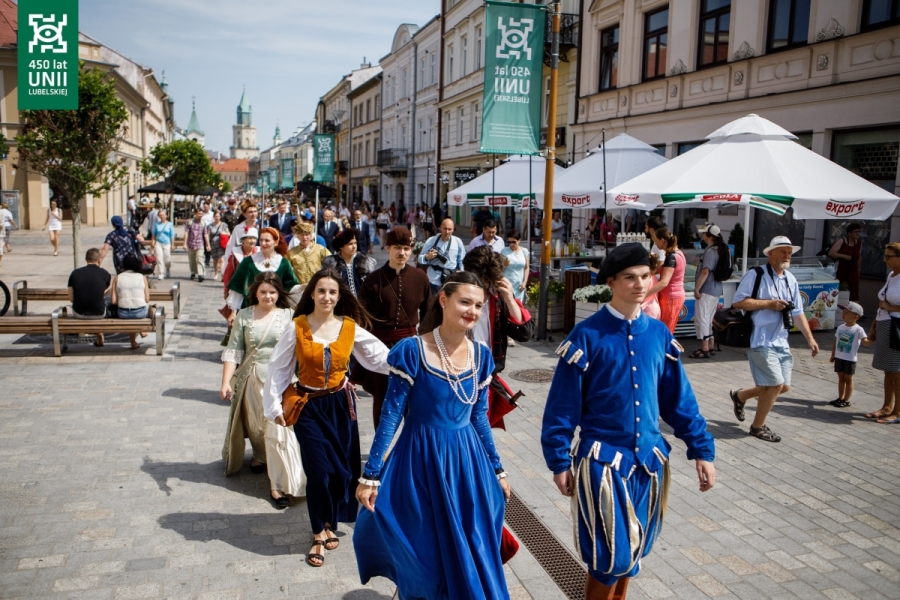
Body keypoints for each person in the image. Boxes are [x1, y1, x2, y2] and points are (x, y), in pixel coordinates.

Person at [541, 243, 716, 599]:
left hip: (649, 462)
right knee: (611, 557)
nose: (640, 284)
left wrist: (702, 449)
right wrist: (559, 460)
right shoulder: (586, 336)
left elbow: (678, 400)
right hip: (603, 462)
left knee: (633, 552)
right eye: (629, 277)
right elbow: (562, 406)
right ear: (611, 282)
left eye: (645, 276)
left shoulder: (658, 334)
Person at [354, 271, 511, 598]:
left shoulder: (481, 355)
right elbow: (392, 414)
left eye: (478, 305)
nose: (472, 311)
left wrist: (497, 469)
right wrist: (371, 475)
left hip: (467, 462)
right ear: (443, 299)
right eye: (464, 301)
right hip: (420, 460)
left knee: (472, 545)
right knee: (424, 555)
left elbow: (479, 417)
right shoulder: (412, 350)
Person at [263, 270, 390, 567]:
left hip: (341, 405)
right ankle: (319, 532)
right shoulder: (298, 327)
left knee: (342, 472)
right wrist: (274, 408)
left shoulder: (349, 327)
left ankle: (332, 520)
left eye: (332, 292)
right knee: (319, 472)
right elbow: (278, 368)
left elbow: (379, 357)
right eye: (321, 291)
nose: (327, 297)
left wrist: (413, 363)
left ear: (339, 296)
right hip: (308, 406)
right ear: (312, 294)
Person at [221, 272, 306, 509]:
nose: (267, 296)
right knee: (258, 427)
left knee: (279, 430)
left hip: (284, 380)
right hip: (253, 379)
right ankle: (260, 455)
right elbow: (234, 351)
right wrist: (225, 382)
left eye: (272, 292)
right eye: (263, 292)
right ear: (255, 293)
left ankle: (277, 484)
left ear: (279, 293)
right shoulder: (244, 316)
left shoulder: (289, 315)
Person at [729, 236, 819, 443]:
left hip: (781, 340)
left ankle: (740, 396)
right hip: (759, 338)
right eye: (782, 252)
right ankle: (757, 426)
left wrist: (810, 339)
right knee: (775, 383)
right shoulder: (756, 274)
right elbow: (738, 302)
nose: (787, 256)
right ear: (770, 253)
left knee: (783, 386)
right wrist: (768, 304)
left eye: (789, 252)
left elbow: (798, 312)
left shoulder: (790, 279)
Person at [358, 227, 432, 427]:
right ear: (388, 248)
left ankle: (408, 451)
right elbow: (362, 320)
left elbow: (428, 315)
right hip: (379, 346)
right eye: (398, 248)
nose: (402, 253)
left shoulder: (420, 278)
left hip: (410, 347)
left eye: (406, 248)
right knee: (382, 399)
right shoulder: (373, 280)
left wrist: (428, 346)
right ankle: (381, 453)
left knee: (412, 399)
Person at [463, 246, 535, 427]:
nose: (482, 286)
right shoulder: (456, 296)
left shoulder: (498, 298)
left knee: (480, 432)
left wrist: (510, 298)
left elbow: (524, 333)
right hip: (457, 374)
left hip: (486, 378)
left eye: (487, 282)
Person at [226, 228, 300, 321]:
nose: (263, 243)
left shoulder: (283, 263)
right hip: (250, 309)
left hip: (276, 310)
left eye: (267, 240)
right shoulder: (249, 262)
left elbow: (291, 287)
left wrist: (304, 288)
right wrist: (233, 312)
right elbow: (238, 288)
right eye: (261, 240)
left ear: (275, 242)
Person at [867, 242, 900, 424]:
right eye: (885, 255)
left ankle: (898, 411)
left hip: (897, 327)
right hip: (885, 323)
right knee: (888, 370)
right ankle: (887, 406)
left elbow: (888, 304)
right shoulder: (891, 275)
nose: (885, 259)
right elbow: (882, 303)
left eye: (889, 256)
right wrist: (874, 324)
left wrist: (891, 307)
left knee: (897, 371)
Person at [691, 224, 727, 358]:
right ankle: (710, 344)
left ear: (709, 236)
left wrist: (697, 288)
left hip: (707, 289)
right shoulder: (720, 249)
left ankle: (704, 348)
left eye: (704, 234)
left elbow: (705, 271)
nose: (703, 236)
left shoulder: (711, 251)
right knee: (709, 317)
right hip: (716, 289)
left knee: (703, 318)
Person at [828, 302, 872, 409]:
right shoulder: (840, 328)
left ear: (855, 316)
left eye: (846, 313)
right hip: (839, 357)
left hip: (850, 359)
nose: (843, 314)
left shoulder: (858, 329)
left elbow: (865, 342)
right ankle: (840, 398)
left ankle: (846, 400)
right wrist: (833, 354)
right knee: (841, 378)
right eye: (843, 312)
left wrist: (873, 337)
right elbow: (836, 341)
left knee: (848, 379)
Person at [68, 248, 112, 346]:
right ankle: (99, 333)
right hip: (99, 313)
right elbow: (102, 291)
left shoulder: (74, 273)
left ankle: (99, 335)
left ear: (86, 259)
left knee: (92, 300)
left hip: (79, 313)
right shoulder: (105, 274)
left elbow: (71, 298)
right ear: (99, 260)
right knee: (105, 298)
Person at [647, 227, 685, 334]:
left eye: (656, 241)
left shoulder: (671, 257)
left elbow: (664, 282)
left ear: (662, 240)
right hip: (674, 296)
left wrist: (645, 294)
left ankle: (667, 351)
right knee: (667, 329)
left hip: (671, 297)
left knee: (666, 331)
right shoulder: (678, 253)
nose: (655, 244)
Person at [111, 254, 150, 349]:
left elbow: (113, 301)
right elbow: (147, 299)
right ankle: (141, 330)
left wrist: (124, 301)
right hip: (140, 313)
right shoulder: (142, 277)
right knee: (137, 311)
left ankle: (134, 342)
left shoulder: (117, 278)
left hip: (123, 313)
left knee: (129, 312)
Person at [418, 218, 466, 295]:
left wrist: (461, 273)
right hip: (434, 278)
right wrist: (427, 257)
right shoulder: (431, 241)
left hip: (451, 279)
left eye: (449, 229)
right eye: (445, 228)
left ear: (453, 229)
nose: (447, 232)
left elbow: (462, 261)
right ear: (440, 227)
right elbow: (420, 258)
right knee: (434, 304)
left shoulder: (458, 242)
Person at [322, 228, 375, 297]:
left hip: (362, 303)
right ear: (341, 247)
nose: (354, 246)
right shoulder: (332, 264)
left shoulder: (365, 262)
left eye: (355, 243)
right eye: (350, 244)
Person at [286, 222, 331, 287]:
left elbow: (331, 264)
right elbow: (287, 270)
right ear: (298, 236)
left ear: (311, 235)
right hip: (299, 286)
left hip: (317, 285)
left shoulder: (320, 249)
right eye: (302, 234)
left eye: (307, 234)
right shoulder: (291, 252)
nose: (304, 237)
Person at [828, 223, 862, 302]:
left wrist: (859, 269)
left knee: (854, 290)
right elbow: (831, 253)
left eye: (858, 232)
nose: (858, 234)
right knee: (841, 289)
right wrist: (844, 256)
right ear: (849, 233)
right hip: (842, 269)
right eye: (855, 232)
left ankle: (853, 310)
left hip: (853, 270)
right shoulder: (842, 241)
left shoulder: (859, 243)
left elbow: (859, 257)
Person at [501, 229, 529, 302]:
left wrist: (525, 282)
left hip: (519, 286)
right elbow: (499, 268)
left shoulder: (524, 251)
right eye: (509, 242)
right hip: (507, 284)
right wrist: (504, 264)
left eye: (514, 242)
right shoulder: (504, 251)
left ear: (519, 240)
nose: (511, 244)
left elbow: (526, 268)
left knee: (519, 308)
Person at [183, 208, 206, 282]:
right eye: (199, 213)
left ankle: (200, 274)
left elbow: (205, 234)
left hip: (200, 244)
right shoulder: (189, 222)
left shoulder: (203, 223)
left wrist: (208, 244)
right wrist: (184, 243)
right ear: (195, 214)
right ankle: (193, 272)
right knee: (192, 260)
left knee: (200, 259)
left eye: (201, 214)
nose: (200, 215)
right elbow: (186, 232)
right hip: (191, 243)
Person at [205, 211, 230, 281]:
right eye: (216, 216)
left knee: (221, 260)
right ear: (213, 217)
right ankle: (216, 274)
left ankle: (222, 275)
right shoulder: (210, 226)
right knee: (215, 260)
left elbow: (229, 233)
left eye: (218, 216)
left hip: (221, 244)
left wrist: (224, 233)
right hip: (213, 244)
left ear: (220, 217)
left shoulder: (224, 225)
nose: (217, 218)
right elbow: (207, 235)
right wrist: (208, 245)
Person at [150, 209, 174, 280]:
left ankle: (167, 268)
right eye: (160, 215)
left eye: (163, 215)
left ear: (166, 215)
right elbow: (154, 234)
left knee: (167, 258)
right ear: (159, 216)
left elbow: (172, 235)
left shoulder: (170, 224)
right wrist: (152, 242)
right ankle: (161, 273)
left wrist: (173, 244)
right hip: (158, 243)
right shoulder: (157, 224)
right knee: (159, 258)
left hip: (167, 243)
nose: (162, 216)